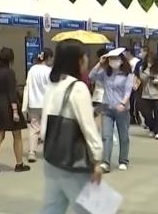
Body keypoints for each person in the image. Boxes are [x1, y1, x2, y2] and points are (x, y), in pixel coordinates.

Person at [39, 39, 104, 214]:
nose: (87, 60)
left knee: (52, 208)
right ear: (78, 60)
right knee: (94, 209)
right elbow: (88, 128)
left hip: (52, 157)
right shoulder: (78, 87)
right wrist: (97, 159)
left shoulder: (53, 84)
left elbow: (44, 128)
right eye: (85, 56)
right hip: (74, 161)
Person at [0, 47, 29, 174]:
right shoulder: (9, 72)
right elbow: (11, 92)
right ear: (11, 59)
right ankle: (19, 163)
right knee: (17, 135)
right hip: (8, 106)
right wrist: (15, 111)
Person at [88, 47, 134, 172]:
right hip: (107, 108)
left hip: (122, 109)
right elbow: (91, 76)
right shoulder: (105, 73)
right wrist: (100, 63)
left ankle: (123, 160)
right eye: (111, 59)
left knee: (123, 136)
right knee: (106, 136)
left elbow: (128, 91)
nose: (113, 61)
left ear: (121, 60)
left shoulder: (128, 74)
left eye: (115, 58)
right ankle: (105, 162)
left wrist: (123, 103)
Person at [22, 48, 53, 163]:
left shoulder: (32, 70)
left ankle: (32, 152)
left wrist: (25, 105)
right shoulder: (49, 71)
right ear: (48, 58)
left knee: (34, 128)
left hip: (33, 103)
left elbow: (27, 86)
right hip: (47, 104)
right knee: (48, 128)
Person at [139, 53, 158, 139]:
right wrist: (148, 70)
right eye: (148, 60)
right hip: (145, 95)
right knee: (146, 114)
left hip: (157, 95)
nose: (150, 62)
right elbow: (142, 79)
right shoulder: (142, 68)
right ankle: (152, 128)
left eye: (151, 60)